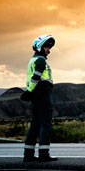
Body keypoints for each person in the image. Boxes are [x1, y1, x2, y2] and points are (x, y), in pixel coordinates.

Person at [21, 34, 57, 162]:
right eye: (47, 46)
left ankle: (28, 155)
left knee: (35, 125)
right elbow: (36, 77)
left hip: (36, 96)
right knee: (46, 125)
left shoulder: (33, 60)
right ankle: (43, 155)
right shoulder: (40, 60)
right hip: (42, 94)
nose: (49, 50)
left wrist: (29, 92)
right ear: (40, 47)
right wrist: (29, 91)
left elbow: (33, 79)